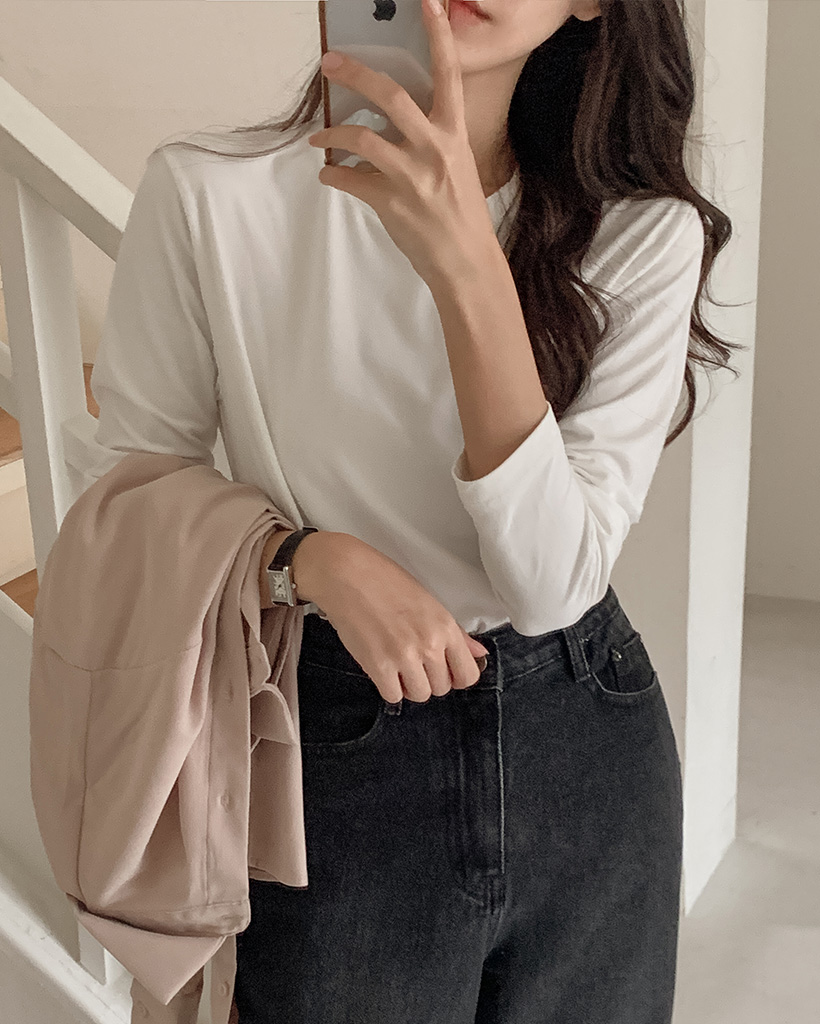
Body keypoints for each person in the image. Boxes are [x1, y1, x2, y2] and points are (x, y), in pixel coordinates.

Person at [89, 1, 743, 1021]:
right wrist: (304, 559)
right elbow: (132, 500)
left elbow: (551, 585)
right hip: (329, 740)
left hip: (582, 742)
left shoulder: (642, 233)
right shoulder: (211, 193)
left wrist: (465, 265)